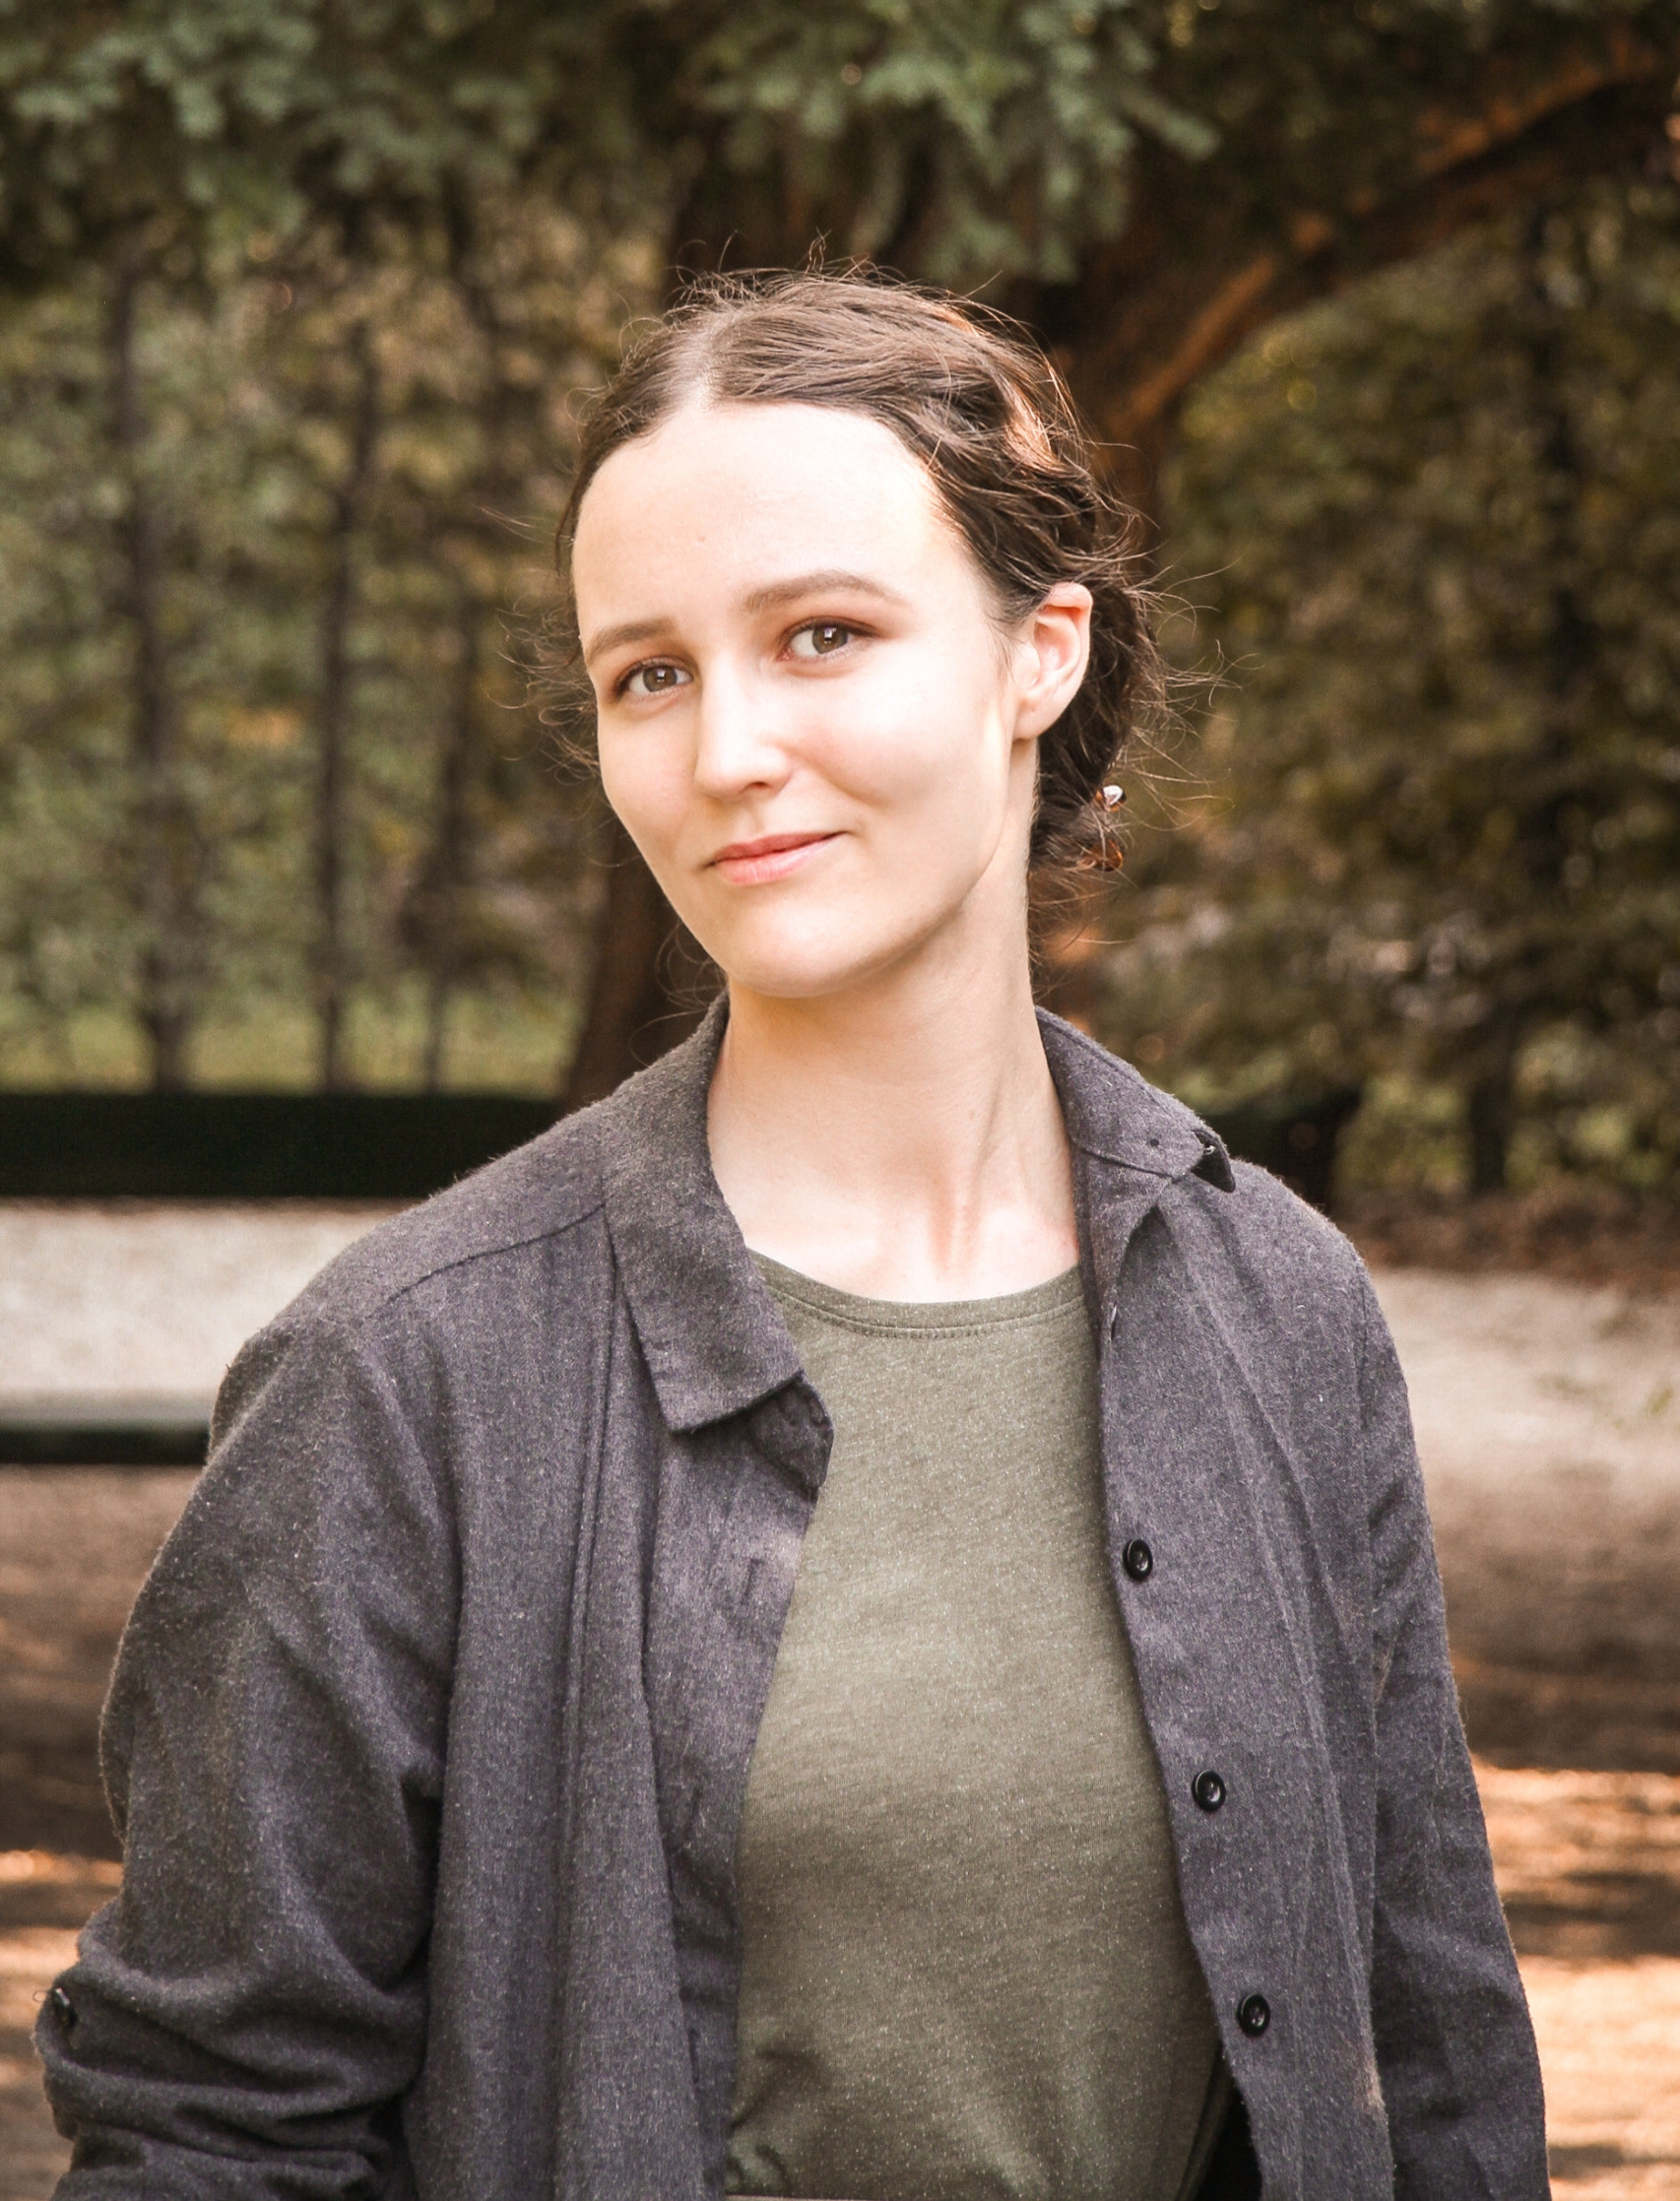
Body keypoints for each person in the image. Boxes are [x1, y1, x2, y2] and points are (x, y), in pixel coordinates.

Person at [39, 271, 1548, 2201]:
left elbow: (1429, 2067)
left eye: (819, 634)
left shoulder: (1283, 1311)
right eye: (647, 673)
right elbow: (210, 2134)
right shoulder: (403, 1376)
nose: (726, 745)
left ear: (1040, 652)